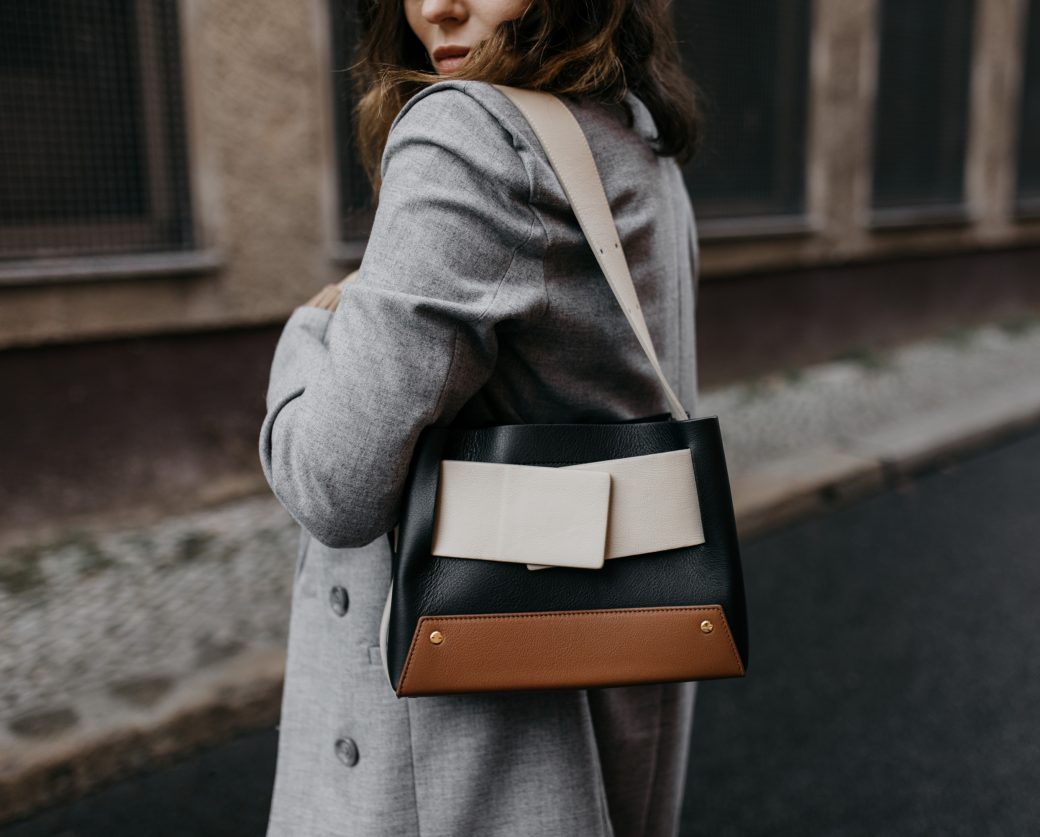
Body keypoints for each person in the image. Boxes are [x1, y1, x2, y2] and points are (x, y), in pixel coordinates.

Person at [257, 0, 704, 834]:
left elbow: (332, 485)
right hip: (611, 709)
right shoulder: (632, 135)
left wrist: (314, 326)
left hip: (449, 770)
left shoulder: (466, 135)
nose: (436, 6)